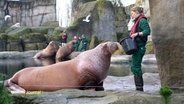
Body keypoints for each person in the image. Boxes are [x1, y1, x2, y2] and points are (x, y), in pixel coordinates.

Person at [129, 6, 151, 91]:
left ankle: (139, 88)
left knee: (136, 67)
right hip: (136, 47)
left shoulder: (142, 20)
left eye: (132, 13)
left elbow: (147, 31)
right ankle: (138, 87)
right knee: (134, 66)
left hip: (140, 47)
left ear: (137, 12)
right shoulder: (136, 21)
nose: (132, 15)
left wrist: (137, 34)